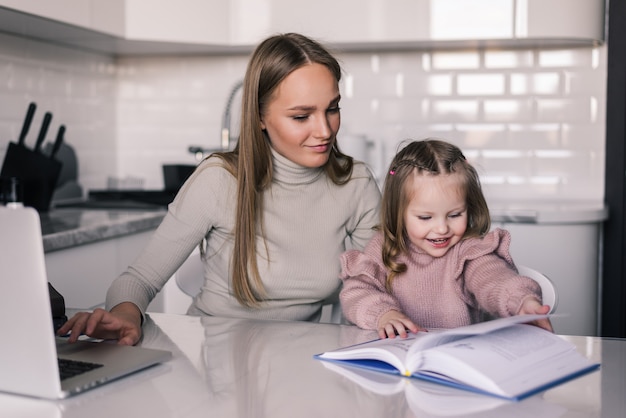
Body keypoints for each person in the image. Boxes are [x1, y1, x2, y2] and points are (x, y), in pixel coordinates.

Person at [59, 33, 381, 345]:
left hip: (299, 364)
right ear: (259, 118)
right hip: (214, 360)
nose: (324, 130)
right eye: (301, 116)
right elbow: (140, 279)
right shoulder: (219, 180)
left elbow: (367, 291)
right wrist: (126, 315)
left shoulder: (356, 185)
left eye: (332, 109)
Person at [338, 139, 553, 339]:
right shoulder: (383, 248)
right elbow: (356, 291)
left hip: (460, 364)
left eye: (454, 215)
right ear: (398, 212)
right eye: (425, 217)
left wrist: (521, 300)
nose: (441, 228)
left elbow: (493, 278)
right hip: (400, 365)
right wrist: (383, 314)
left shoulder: (467, 251)